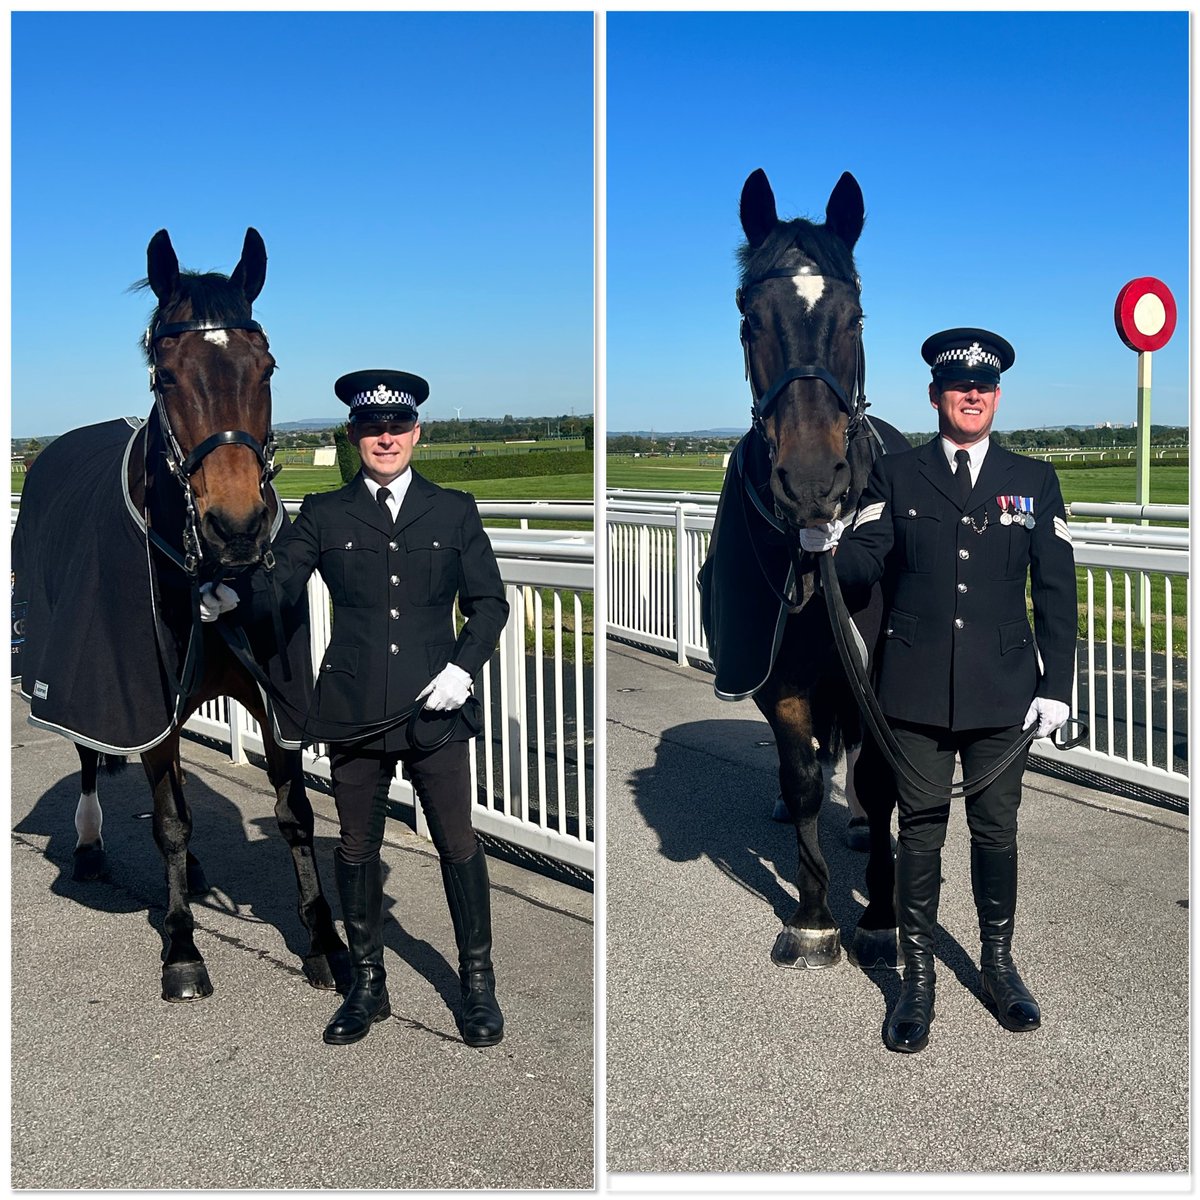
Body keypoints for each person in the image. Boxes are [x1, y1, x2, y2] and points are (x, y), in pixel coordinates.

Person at [800, 328, 1077, 1053]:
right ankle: (916, 985)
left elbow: (1056, 594)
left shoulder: (1035, 480)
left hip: (1005, 695)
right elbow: (868, 555)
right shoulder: (897, 473)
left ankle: (998, 967)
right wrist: (830, 549)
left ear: (997, 396)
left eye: (983, 387)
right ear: (935, 397)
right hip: (915, 692)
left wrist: (1060, 686)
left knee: (996, 832)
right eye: (959, 387)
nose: (973, 395)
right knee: (919, 832)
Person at [219, 369, 510, 1047]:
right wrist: (235, 597)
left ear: (416, 433)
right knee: (355, 847)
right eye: (372, 428)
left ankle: (475, 985)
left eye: (397, 427)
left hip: (437, 710)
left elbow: (491, 605)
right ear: (353, 435)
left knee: (457, 842)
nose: (386, 438)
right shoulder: (323, 512)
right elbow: (278, 582)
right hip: (354, 711)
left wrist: (463, 671)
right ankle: (368, 987)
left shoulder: (454, 509)